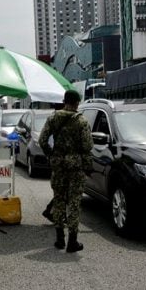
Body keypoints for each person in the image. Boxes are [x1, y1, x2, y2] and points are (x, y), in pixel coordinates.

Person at [38, 90, 93, 252]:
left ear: (64, 101)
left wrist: (51, 154)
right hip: (75, 167)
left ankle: (60, 239)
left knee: (59, 200)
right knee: (74, 203)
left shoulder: (53, 118)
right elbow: (87, 146)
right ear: (77, 103)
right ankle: (72, 242)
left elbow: (42, 141)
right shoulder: (82, 121)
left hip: (59, 166)